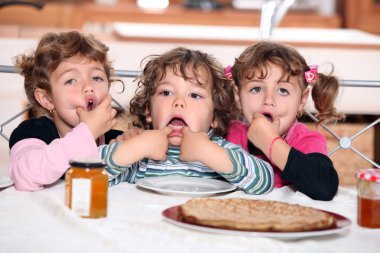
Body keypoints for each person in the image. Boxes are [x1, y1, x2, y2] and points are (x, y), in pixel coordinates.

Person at [99, 47, 274, 194]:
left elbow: (265, 182)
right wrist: (137, 147)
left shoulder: (221, 149)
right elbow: (84, 173)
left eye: (195, 95)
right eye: (166, 93)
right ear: (148, 110)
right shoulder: (140, 157)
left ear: (214, 116)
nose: (179, 102)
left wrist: (208, 152)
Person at [226, 41, 344, 200]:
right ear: (238, 97)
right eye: (256, 89)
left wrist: (269, 142)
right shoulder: (229, 133)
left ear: (302, 100)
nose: (268, 100)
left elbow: (325, 186)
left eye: (283, 90)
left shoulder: (306, 141)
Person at [9, 31, 122, 191]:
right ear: (47, 99)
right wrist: (87, 133)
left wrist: (137, 145)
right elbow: (24, 176)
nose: (89, 87)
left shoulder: (115, 140)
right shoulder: (32, 132)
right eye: (70, 80)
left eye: (97, 78)